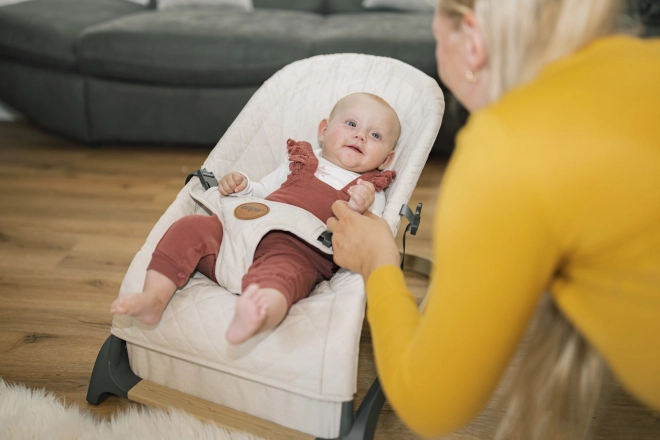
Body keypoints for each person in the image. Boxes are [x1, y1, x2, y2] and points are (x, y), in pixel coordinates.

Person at [326, 1, 660, 439]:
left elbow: (431, 403)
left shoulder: (509, 148)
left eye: (436, 25)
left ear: (472, 37)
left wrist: (377, 260)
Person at [110, 92, 399, 345]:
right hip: (243, 235)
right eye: (351, 124)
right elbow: (263, 190)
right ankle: (154, 298)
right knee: (191, 227)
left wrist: (362, 207)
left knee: (284, 276)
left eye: (375, 135)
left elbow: (370, 236)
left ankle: (256, 317)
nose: (360, 135)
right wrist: (243, 185)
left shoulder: (371, 188)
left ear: (386, 159)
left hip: (299, 251)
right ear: (323, 130)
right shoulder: (300, 161)